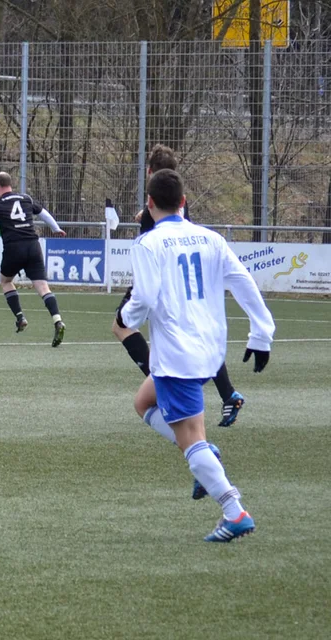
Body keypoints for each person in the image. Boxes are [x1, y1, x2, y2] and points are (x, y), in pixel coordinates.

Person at [116, 169, 274, 542]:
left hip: (176, 355)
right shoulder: (211, 238)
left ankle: (233, 510)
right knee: (143, 403)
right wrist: (261, 333)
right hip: (208, 351)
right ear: (184, 202)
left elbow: (145, 297)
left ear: (149, 204)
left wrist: (127, 317)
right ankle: (206, 454)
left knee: (190, 438)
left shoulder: (148, 244)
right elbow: (243, 281)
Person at [114, 144, 246, 427]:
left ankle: (163, 385)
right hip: (183, 274)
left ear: (149, 171)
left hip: (161, 275)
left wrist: (145, 216)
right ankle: (227, 392)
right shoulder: (178, 199)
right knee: (195, 333)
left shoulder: (154, 205)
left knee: (121, 326)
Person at [0, 172, 67, 347]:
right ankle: (57, 320)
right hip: (33, 246)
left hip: (13, 248)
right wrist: (56, 228)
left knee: (5, 281)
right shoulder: (26, 198)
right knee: (43, 287)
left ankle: (20, 317)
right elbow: (44, 214)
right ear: (11, 184)